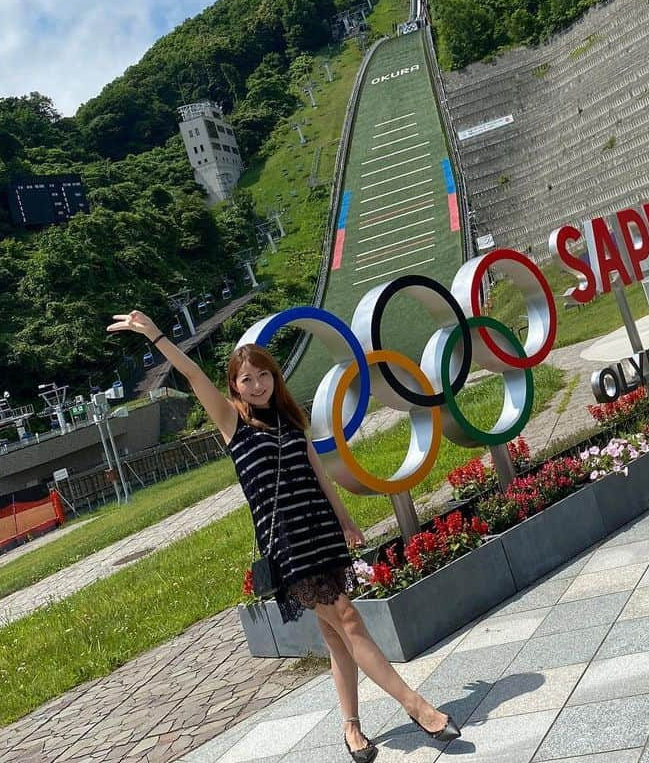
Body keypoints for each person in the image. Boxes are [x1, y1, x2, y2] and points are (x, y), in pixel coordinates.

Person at [107, 311, 459, 762]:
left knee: (335, 635)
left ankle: (351, 728)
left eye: (263, 376)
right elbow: (193, 374)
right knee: (348, 619)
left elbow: (321, 479)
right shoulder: (232, 426)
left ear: (274, 377)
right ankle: (416, 706)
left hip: (321, 533)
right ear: (234, 387)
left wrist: (347, 522)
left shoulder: (294, 422)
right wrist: (153, 333)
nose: (256, 386)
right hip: (288, 547)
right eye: (246, 380)